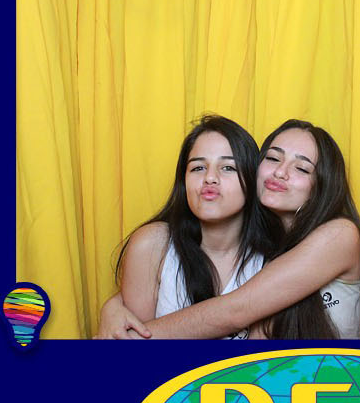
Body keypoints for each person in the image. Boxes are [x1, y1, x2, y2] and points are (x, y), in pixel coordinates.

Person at [97, 120, 360, 341]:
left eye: (302, 168)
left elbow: (236, 310)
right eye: (273, 158)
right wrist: (114, 306)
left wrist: (129, 338)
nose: (280, 171)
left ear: (323, 185)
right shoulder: (274, 254)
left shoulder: (340, 235)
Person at [98, 116, 272, 340]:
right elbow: (134, 349)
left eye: (228, 167)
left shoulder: (271, 260)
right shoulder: (152, 245)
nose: (210, 178)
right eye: (198, 167)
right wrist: (111, 307)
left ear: (252, 179)